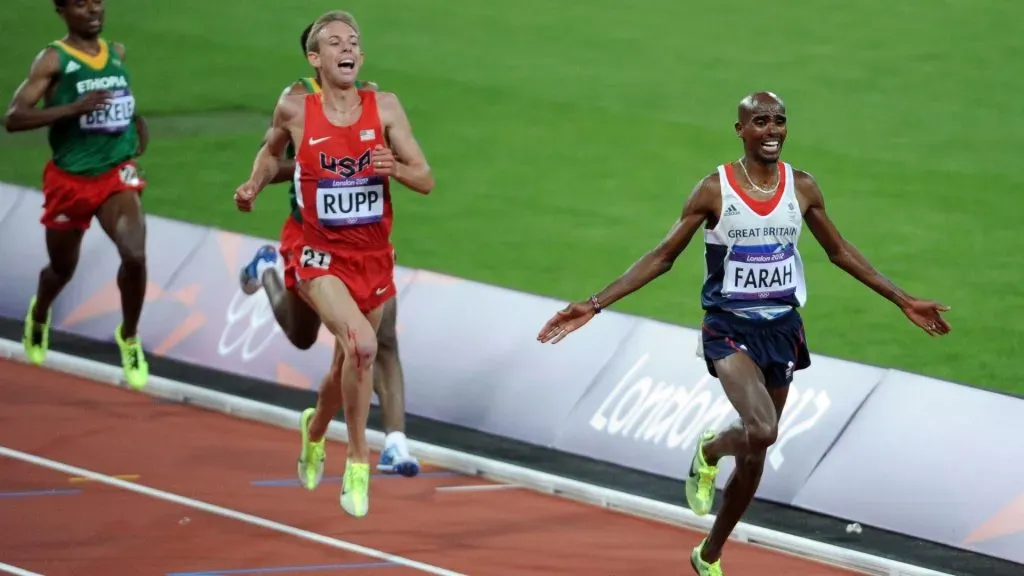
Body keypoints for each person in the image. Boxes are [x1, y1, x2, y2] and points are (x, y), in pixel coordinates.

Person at [537, 92, 951, 575]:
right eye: (760, 121)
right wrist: (594, 303)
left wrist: (902, 299)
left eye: (779, 121)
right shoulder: (714, 190)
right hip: (727, 328)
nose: (772, 130)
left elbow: (839, 251)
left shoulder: (803, 187)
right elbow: (662, 256)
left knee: (756, 454)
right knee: (763, 429)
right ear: (741, 130)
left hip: (783, 328)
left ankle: (708, 553)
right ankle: (711, 447)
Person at [234, 10, 434, 518]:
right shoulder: (296, 108)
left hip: (370, 254)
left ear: (360, 56)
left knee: (349, 361)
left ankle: (315, 429)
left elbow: (426, 177)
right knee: (364, 344)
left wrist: (398, 170)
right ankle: (360, 461)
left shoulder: (384, 106)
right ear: (315, 57)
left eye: (354, 42)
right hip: (315, 251)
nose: (347, 48)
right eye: (335, 42)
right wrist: (254, 185)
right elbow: (268, 152)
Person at [4, 0, 150, 390]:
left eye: (96, 2)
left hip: (114, 175)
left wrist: (135, 124)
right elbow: (14, 118)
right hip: (70, 181)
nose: (93, 10)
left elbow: (119, 101)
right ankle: (39, 314)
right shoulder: (53, 60)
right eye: (81, 4)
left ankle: (130, 337)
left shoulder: (115, 52)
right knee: (61, 269)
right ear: (62, 10)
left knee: (134, 254)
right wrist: (72, 108)